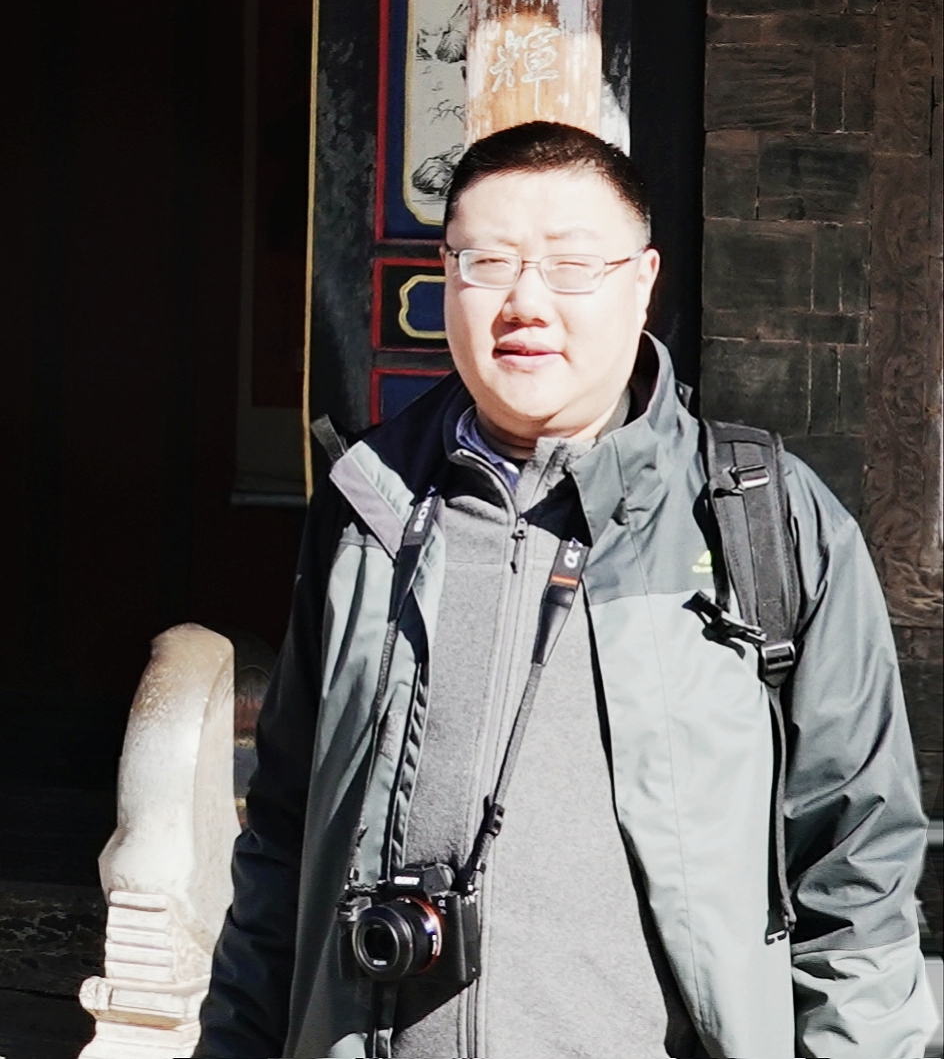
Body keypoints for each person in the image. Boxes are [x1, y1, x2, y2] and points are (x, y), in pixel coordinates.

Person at [195, 122, 929, 1059]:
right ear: (446, 275)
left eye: (573, 265)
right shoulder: (369, 506)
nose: (526, 304)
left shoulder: (764, 520)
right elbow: (282, 837)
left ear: (642, 280)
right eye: (488, 263)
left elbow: (857, 873)